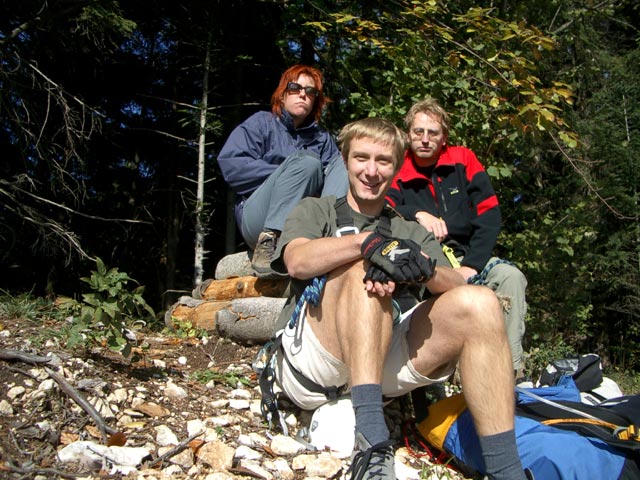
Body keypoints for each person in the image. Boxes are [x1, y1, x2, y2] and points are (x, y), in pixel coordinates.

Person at [265, 117, 528, 480]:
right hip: (315, 362)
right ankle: (372, 446)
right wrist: (366, 244)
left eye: (383, 161)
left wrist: (424, 269)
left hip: (381, 359)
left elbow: (455, 284)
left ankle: (505, 470)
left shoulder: (408, 230)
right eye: (361, 158)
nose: (371, 171)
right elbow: (297, 261)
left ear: (397, 166)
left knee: (481, 302)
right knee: (361, 269)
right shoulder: (316, 210)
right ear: (345, 160)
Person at [386, 97, 528, 375]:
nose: (425, 139)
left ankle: (509, 374)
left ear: (444, 137)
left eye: (433, 133)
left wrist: (471, 266)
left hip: (468, 257)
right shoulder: (397, 169)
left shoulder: (463, 160)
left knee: (511, 278)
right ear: (407, 135)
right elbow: (383, 208)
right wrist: (416, 213)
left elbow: (489, 213)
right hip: (426, 265)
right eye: (418, 132)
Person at [217, 64, 348, 276]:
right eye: (295, 88)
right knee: (307, 163)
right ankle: (270, 241)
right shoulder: (261, 123)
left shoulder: (322, 138)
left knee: (345, 161)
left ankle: (333, 239)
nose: (303, 95)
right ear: (282, 93)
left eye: (311, 91)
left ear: (316, 100)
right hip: (259, 218)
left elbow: (336, 177)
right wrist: (288, 173)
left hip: (305, 224)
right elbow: (232, 165)